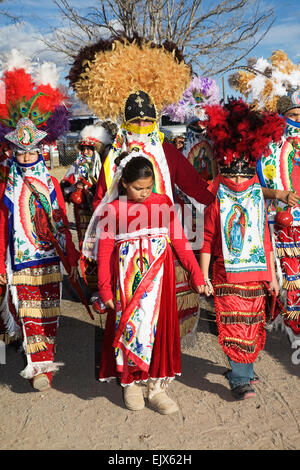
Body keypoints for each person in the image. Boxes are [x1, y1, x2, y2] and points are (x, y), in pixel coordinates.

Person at [68, 34, 215, 341]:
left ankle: (158, 358)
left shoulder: (167, 151)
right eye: (136, 122)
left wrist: (219, 197)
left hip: (164, 236)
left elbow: (194, 185)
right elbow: (103, 198)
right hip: (125, 242)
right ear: (125, 120)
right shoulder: (115, 157)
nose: (142, 127)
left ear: (156, 119)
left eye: (148, 121)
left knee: (163, 306)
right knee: (127, 306)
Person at [83, 152, 205, 413]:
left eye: (149, 187)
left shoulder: (163, 203)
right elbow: (104, 256)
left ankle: (157, 387)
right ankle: (132, 383)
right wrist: (104, 289)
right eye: (139, 188)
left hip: (161, 282)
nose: (145, 193)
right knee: (131, 330)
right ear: (124, 183)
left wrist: (197, 274)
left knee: (159, 332)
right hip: (128, 285)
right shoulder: (113, 210)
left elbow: (181, 243)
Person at [0, 53, 80, 391]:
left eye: (31, 151)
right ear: (13, 152)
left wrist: (72, 259)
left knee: (48, 313)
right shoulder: (7, 186)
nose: (26, 156)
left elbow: (61, 222)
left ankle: (45, 358)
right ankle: (40, 368)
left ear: (40, 150)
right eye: (20, 152)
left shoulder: (50, 184)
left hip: (48, 259)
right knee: (27, 313)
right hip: (20, 262)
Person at [199, 99, 283, 400]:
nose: (236, 180)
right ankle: (240, 377)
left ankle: (244, 367)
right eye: (231, 175)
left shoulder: (256, 198)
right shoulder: (216, 199)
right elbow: (207, 238)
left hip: (257, 273)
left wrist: (272, 275)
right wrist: (204, 275)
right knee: (234, 322)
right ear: (222, 173)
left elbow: (265, 241)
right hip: (226, 273)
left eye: (242, 176)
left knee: (252, 322)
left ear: (251, 174)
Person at [228, 49, 300, 346]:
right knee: (292, 284)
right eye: (293, 115)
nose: (298, 120)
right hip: (282, 225)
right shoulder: (268, 148)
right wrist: (279, 194)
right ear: (282, 116)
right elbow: (253, 186)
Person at [60, 122, 115, 293]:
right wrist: (73, 188)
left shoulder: (104, 166)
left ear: (96, 150)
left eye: (89, 149)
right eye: (83, 148)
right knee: (88, 245)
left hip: (101, 212)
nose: (85, 152)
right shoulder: (76, 166)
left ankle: (108, 283)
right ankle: (94, 286)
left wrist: (92, 188)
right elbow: (64, 186)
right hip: (82, 212)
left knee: (105, 244)